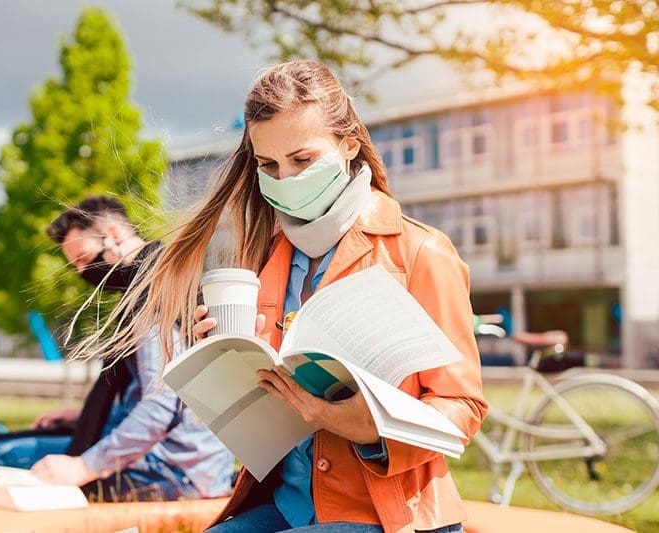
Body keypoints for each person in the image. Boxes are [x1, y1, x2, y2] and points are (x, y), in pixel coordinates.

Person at [81, 61, 487, 531]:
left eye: (303, 160)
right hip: (286, 505)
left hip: (385, 514)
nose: (285, 179)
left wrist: (371, 429)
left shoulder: (421, 252)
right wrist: (219, 364)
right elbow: (267, 400)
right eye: (268, 165)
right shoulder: (265, 258)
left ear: (349, 143)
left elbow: (464, 406)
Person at [0, 195, 234, 503]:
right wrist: (81, 419)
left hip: (175, 472)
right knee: (25, 449)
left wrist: (84, 466)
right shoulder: (164, 278)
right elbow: (159, 399)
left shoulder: (151, 300)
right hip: (193, 464)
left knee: (6, 456)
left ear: (114, 234)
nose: (81, 272)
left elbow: (160, 409)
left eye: (83, 258)